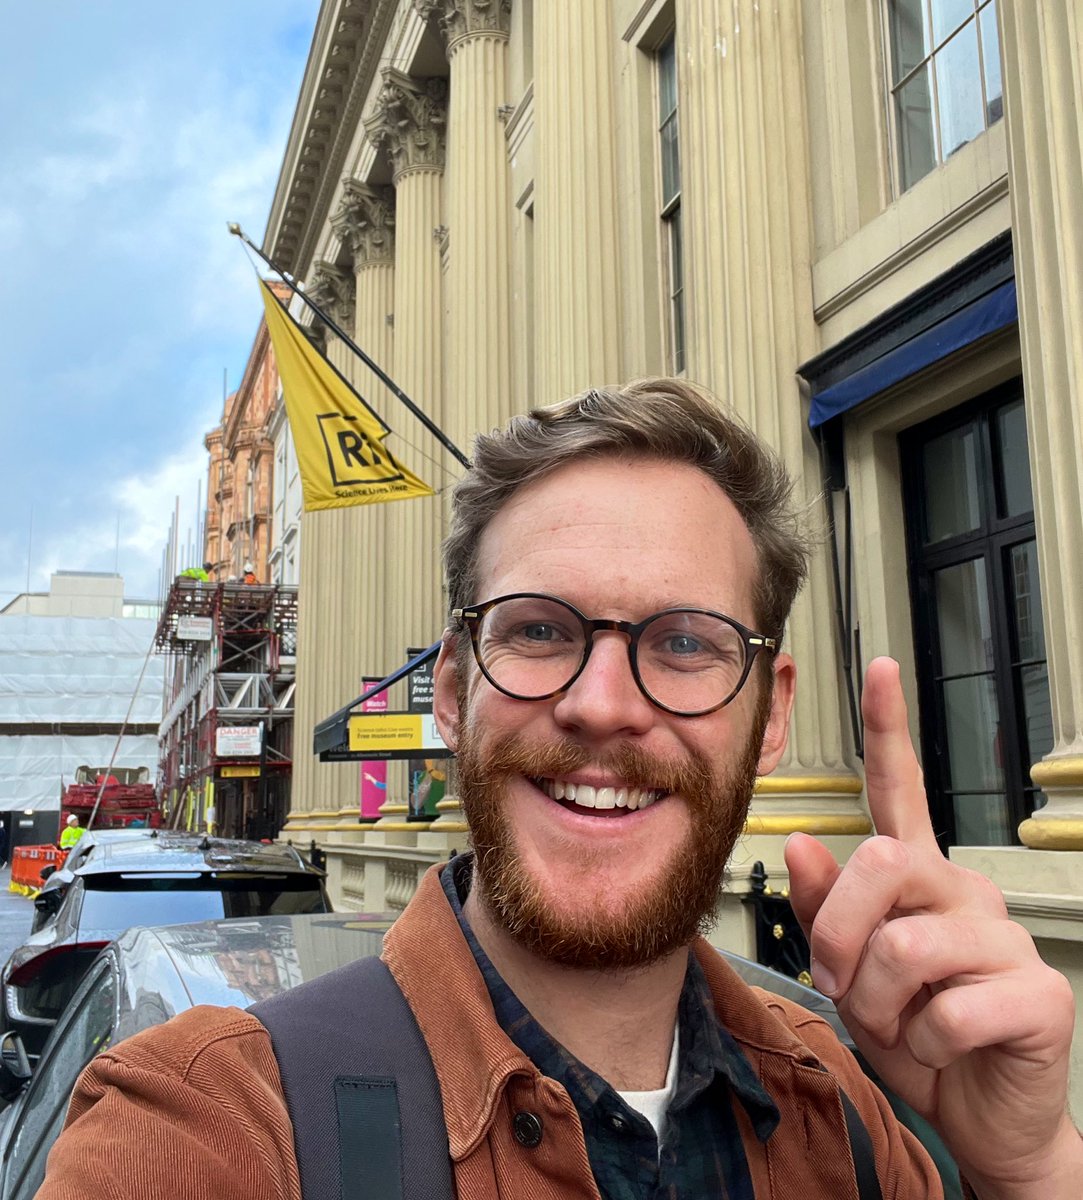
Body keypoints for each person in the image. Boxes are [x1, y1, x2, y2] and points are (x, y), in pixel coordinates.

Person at [39, 380, 1081, 1198]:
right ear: (451, 691)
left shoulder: (843, 1106)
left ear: (770, 716)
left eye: (684, 642)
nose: (601, 704)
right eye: (540, 630)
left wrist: (1028, 1167)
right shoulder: (207, 1126)